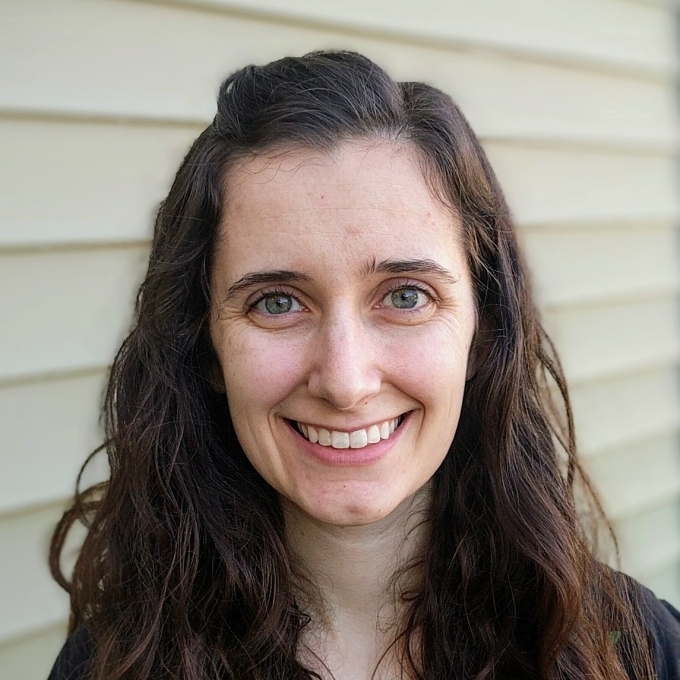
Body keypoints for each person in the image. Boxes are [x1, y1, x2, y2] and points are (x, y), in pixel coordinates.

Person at [47, 51, 680, 680]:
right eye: (276, 303)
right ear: (204, 344)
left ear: (482, 329)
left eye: (406, 296)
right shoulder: (111, 666)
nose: (346, 383)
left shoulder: (636, 652)